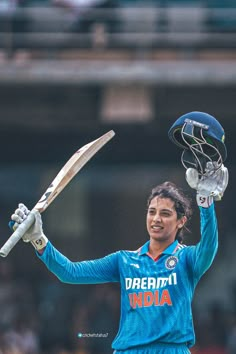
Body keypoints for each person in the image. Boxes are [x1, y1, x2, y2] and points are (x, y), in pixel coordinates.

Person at [10, 160, 228, 354]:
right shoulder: (124, 261)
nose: (156, 219)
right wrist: (39, 239)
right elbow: (69, 272)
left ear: (181, 221)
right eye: (151, 211)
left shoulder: (187, 259)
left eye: (165, 213)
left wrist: (205, 202)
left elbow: (209, 247)